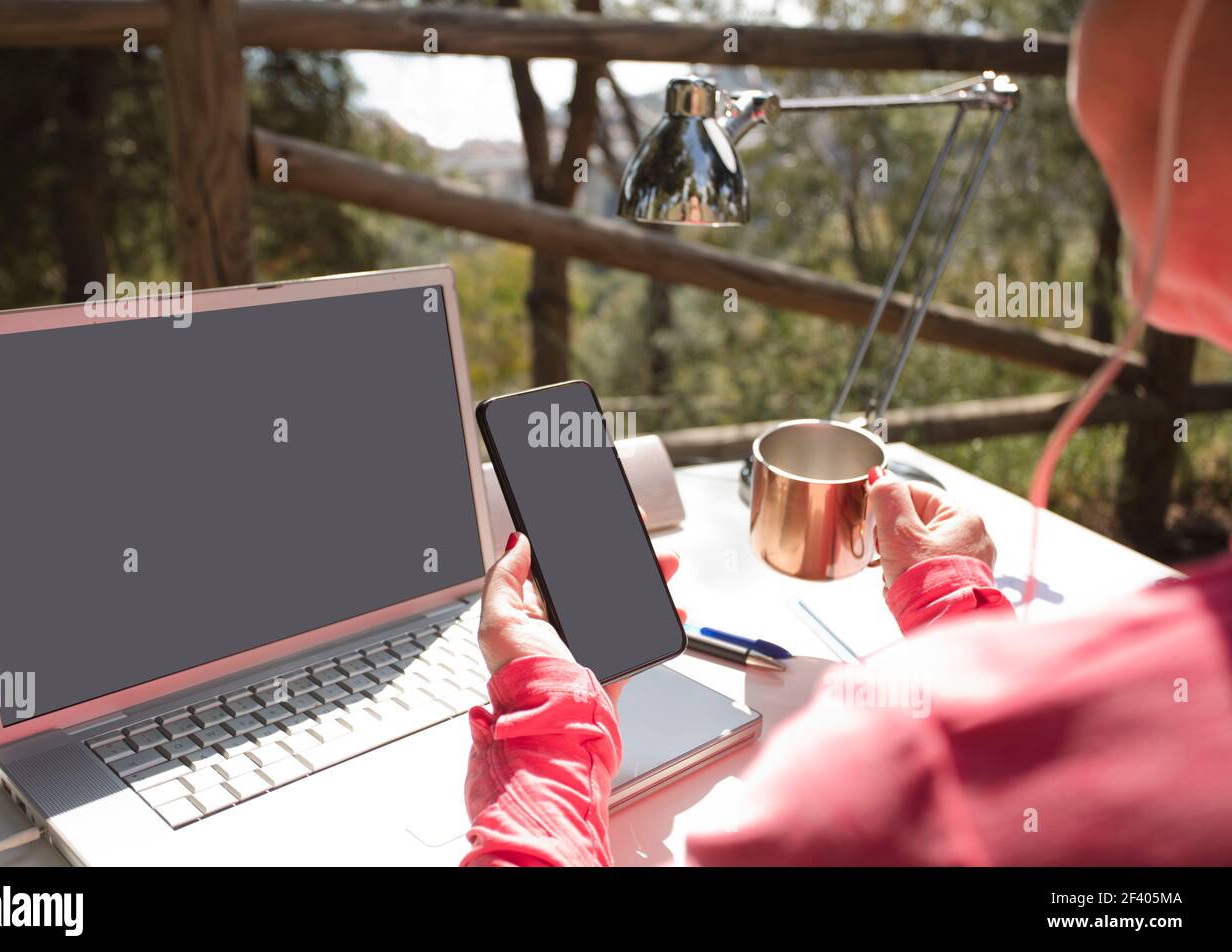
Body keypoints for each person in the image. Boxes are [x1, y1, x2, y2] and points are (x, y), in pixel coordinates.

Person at [462, 0, 1232, 867]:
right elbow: (1059, 770)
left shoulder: (865, 797)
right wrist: (953, 608)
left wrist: (548, 729)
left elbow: (997, 771)